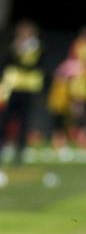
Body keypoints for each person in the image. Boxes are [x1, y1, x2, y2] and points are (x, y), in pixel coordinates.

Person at [0, 20, 44, 165]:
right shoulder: (13, 45)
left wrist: (21, 51)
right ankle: (2, 145)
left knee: (24, 121)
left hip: (28, 89)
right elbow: (7, 62)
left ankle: (20, 150)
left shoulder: (36, 47)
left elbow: (31, 65)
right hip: (13, 88)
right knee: (5, 119)